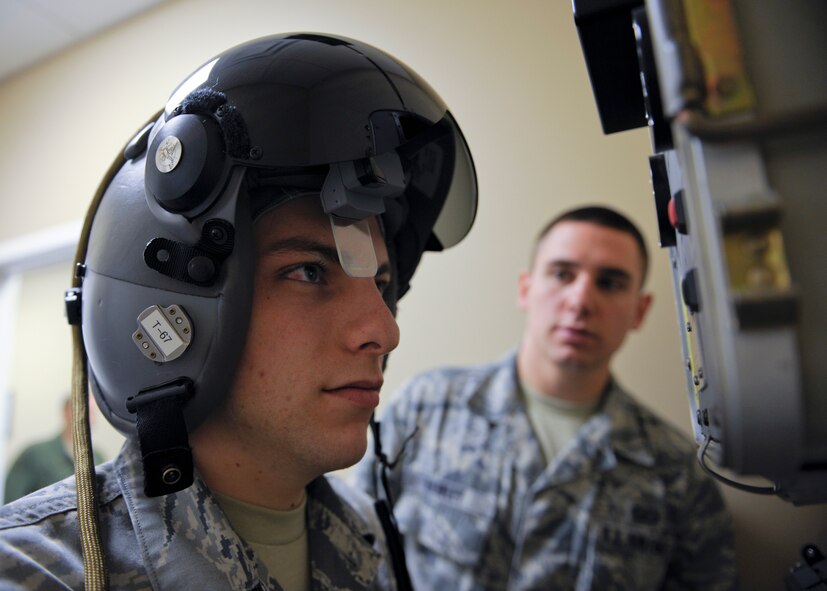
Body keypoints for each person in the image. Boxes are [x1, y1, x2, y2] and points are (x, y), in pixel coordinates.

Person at [0, 33, 477, 591]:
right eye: (309, 272)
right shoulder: (36, 573)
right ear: (172, 308)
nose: (384, 330)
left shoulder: (370, 543)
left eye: (382, 283)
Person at [354, 205, 739, 590]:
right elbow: (356, 545)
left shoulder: (675, 472)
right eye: (561, 274)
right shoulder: (427, 409)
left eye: (610, 282)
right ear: (526, 289)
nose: (580, 301)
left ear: (640, 311)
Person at [3, 396, 105, 503]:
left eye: (92, 413)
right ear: (67, 412)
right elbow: (11, 501)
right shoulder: (35, 454)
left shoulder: (98, 459)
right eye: (83, 410)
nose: (87, 417)